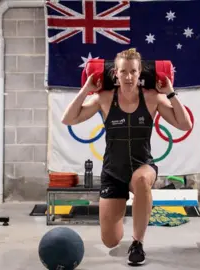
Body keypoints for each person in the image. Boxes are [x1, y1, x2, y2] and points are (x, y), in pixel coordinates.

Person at [61, 48, 192, 266]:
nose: (129, 77)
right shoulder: (104, 99)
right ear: (116, 74)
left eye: (133, 71)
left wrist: (170, 92)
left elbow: (184, 124)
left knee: (141, 180)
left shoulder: (152, 98)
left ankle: (137, 243)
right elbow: (68, 119)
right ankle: (121, 216)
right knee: (110, 240)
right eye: (124, 72)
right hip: (114, 172)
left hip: (143, 166)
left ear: (140, 73)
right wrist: (86, 89)